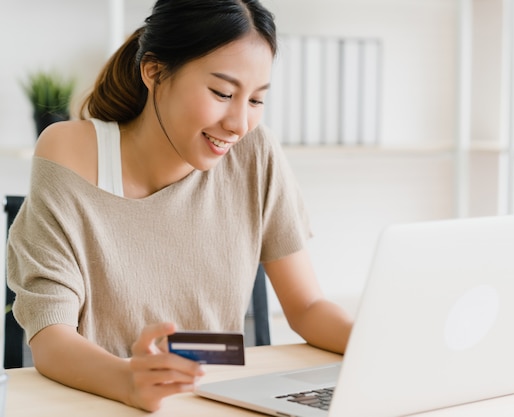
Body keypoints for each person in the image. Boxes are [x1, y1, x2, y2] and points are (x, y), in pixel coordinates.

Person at [7, 0, 353, 412]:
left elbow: (307, 308)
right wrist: (127, 380)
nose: (239, 124)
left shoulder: (255, 153)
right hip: (105, 400)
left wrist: (389, 346)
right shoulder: (70, 150)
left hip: (219, 398)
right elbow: (50, 336)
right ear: (153, 71)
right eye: (222, 93)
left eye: (256, 100)